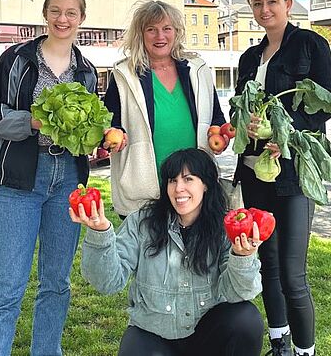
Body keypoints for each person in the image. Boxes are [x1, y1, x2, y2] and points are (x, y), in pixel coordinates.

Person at [0, 0, 98, 355]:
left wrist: (94, 135)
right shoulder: (17, 59)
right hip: (19, 180)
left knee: (57, 282)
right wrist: (34, 122)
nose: (63, 19)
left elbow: (85, 129)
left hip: (68, 181)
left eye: (71, 13)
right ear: (46, 14)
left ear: (81, 19)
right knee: (7, 286)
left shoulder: (87, 72)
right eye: (56, 11)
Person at [232, 0, 331, 356]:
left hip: (292, 173)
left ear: (288, 3)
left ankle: (304, 351)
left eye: (271, 2)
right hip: (254, 172)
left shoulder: (311, 45)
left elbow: (328, 102)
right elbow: (240, 106)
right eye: (257, 4)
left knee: (293, 275)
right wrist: (243, 120)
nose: (265, 10)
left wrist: (289, 133)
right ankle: (279, 341)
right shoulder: (249, 57)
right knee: (268, 265)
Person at [70, 148, 265, 356]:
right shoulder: (142, 222)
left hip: (207, 335)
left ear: (206, 184)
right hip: (153, 333)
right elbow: (107, 282)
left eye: (188, 179)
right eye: (172, 180)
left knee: (246, 319)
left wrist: (242, 257)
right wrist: (100, 233)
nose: (179, 188)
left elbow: (241, 292)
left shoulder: (225, 226)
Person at [102, 0, 226, 218]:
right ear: (141, 34)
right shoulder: (125, 75)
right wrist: (114, 135)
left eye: (166, 29)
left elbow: (216, 117)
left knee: (195, 249)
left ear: (176, 32)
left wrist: (219, 137)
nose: (160, 36)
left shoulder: (197, 70)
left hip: (192, 186)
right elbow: (109, 123)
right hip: (144, 187)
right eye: (151, 29)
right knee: (147, 250)